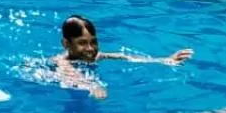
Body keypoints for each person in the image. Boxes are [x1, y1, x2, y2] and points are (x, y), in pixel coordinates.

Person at [53, 15, 193, 100]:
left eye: (94, 42)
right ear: (66, 44)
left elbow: (125, 57)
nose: (90, 49)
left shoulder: (97, 56)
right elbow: (72, 75)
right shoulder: (62, 62)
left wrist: (165, 60)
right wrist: (93, 86)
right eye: (82, 43)